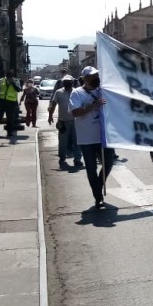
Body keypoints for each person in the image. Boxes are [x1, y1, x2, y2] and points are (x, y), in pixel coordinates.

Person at [70, 66, 114, 208]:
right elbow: (75, 112)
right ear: (84, 79)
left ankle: (98, 185)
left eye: (96, 76)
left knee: (108, 163)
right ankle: (97, 196)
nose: (95, 79)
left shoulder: (103, 90)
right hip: (87, 138)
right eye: (91, 77)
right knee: (91, 167)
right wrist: (92, 106)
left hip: (104, 137)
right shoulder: (77, 93)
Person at [48, 74, 83, 169]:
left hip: (76, 121)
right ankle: (62, 159)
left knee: (77, 142)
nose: (67, 83)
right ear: (63, 83)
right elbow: (53, 104)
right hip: (63, 122)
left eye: (68, 82)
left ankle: (77, 159)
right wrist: (50, 116)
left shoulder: (77, 92)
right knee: (63, 142)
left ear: (72, 83)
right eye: (65, 82)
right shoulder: (59, 92)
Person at [0, 69, 20, 137]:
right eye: (8, 77)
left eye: (11, 76)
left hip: (11, 102)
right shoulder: (1, 80)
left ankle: (9, 132)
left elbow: (18, 89)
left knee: (10, 118)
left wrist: (13, 82)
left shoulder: (16, 80)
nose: (9, 78)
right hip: (1, 101)